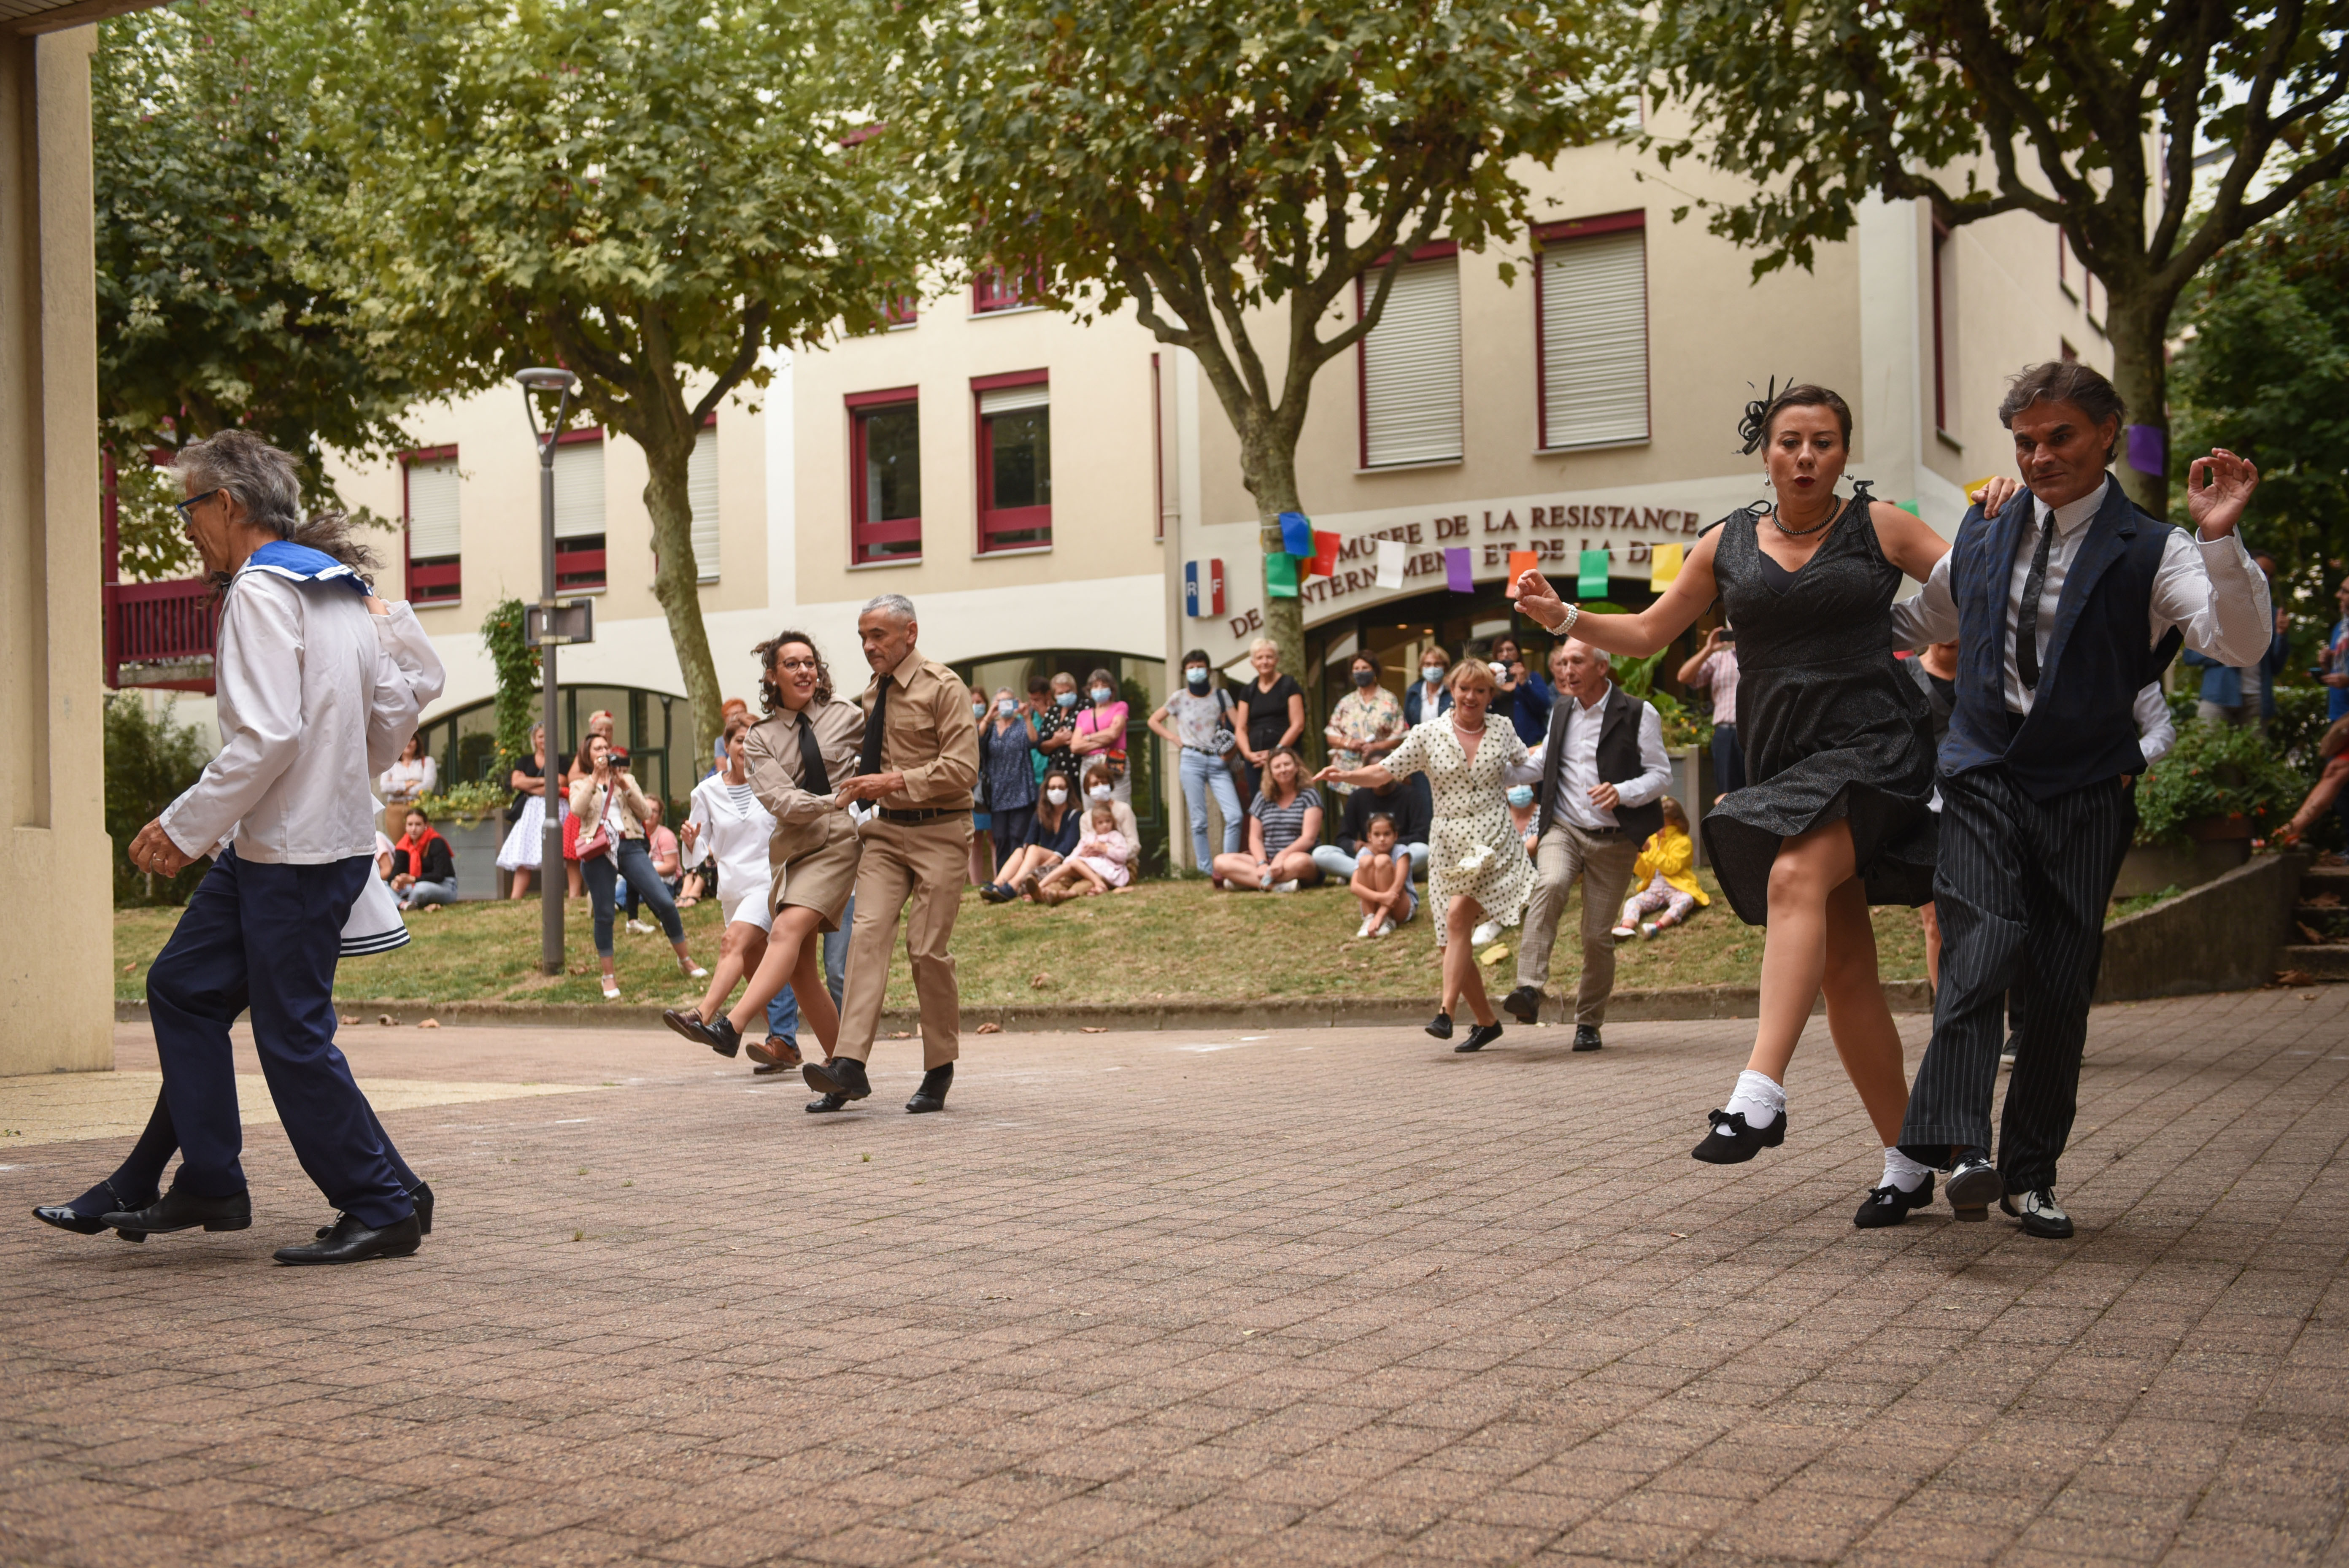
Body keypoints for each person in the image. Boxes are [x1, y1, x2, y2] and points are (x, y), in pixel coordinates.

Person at [1513, 383, 1983, 1223]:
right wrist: (1566, 615)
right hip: (1783, 756)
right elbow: (1653, 630)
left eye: (1826, 442)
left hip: (1873, 746)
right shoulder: (1726, 542)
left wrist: (2003, 513)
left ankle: (1759, 1092)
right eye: (1792, 441)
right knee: (1846, 970)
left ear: (1845, 452)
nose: (1807, 456)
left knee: (1795, 877)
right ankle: (1909, 1157)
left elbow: (1976, 585)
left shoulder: (1880, 527)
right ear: (1766, 450)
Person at [40, 428, 441, 1264]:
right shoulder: (335, 589)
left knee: (292, 1035)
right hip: (298, 844)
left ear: (227, 503)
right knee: (184, 987)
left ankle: (378, 1200)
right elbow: (400, 706)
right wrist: (337, 777)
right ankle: (213, 1179)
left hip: (288, 851)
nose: (187, 529)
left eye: (191, 508)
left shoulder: (261, 590)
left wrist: (184, 828)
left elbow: (264, 735)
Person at [1890, 361, 2271, 1237]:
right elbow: (1915, 624)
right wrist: (1807, 622)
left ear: (2107, 432)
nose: (2038, 456)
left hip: (2088, 787)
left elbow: (2238, 645)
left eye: (2059, 437)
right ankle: (1962, 1148)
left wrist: (2222, 540)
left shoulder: (2158, 548)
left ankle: (2030, 1175)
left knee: (2060, 985)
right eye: (2025, 441)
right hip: (1983, 772)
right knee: (1980, 941)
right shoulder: (1982, 529)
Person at [801, 594, 981, 1115]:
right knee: (867, 937)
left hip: (942, 832)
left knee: (926, 952)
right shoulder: (870, 694)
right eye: (862, 636)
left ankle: (939, 1067)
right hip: (885, 833)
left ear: (911, 633)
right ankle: (849, 1067)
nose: (868, 646)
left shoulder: (944, 688)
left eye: (878, 635)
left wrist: (894, 780)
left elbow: (963, 769)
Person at [666, 631, 864, 1077]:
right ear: (772, 676)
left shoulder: (847, 716)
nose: (804, 671)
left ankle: (731, 1026)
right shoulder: (759, 739)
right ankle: (846, 1069)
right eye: (792, 664)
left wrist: (858, 799)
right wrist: (832, 798)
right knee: (802, 972)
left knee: (784, 931)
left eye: (810, 662)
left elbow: (881, 751)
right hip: (793, 850)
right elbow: (782, 802)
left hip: (836, 840)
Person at [1314, 659, 1533, 1051]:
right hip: (1448, 841)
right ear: (1452, 690)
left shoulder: (1502, 729)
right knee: (1450, 940)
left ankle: (1445, 1012)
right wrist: (1346, 776)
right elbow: (1385, 771)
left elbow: (1529, 766)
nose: (1472, 697)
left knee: (1456, 916)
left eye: (1481, 691)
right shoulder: (1428, 733)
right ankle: (1486, 1021)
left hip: (1492, 838)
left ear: (1490, 695)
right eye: (1464, 689)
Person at [1495, 637, 1671, 1047]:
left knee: (1596, 936)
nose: (1566, 670)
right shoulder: (1559, 711)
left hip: (1615, 839)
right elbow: (1540, 763)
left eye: (1576, 661)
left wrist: (1623, 793)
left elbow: (1661, 775)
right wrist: (1491, 770)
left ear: (1601, 668)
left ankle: (1589, 1022)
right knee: (1550, 883)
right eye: (1561, 662)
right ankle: (1528, 988)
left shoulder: (1639, 713)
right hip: (1565, 828)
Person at [671, 718, 782, 1046]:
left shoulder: (773, 784)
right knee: (755, 970)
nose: (746, 748)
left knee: (731, 942)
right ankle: (783, 1042)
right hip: (733, 889)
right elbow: (697, 850)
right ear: (728, 746)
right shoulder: (705, 791)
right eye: (740, 741)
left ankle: (702, 1014)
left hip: (767, 882)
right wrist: (690, 840)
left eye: (753, 742)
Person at [569, 735, 703, 999]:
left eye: (606, 748)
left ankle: (685, 960)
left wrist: (622, 784)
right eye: (598, 749)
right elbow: (577, 810)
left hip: (629, 844)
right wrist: (596, 779)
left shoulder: (626, 780)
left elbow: (645, 813)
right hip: (598, 849)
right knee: (605, 914)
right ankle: (608, 977)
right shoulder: (580, 784)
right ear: (588, 755)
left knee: (664, 902)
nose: (604, 753)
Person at [1150, 648, 1246, 875]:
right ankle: (1207, 869)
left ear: (1209, 670)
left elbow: (1240, 725)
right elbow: (1154, 721)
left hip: (1218, 760)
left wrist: (1234, 751)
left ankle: (1228, 865)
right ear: (1185, 672)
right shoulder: (1179, 698)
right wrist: (1174, 738)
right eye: (1191, 668)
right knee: (1199, 820)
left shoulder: (1221, 696)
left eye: (1200, 667)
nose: (1196, 671)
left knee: (1235, 816)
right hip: (1191, 759)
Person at [1212, 746, 1323, 892]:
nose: (1283, 770)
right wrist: (1262, 863)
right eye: (1277, 767)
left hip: (1295, 858)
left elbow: (1308, 838)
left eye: (1287, 764)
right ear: (1270, 772)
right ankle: (1276, 886)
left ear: (1297, 768)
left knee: (1302, 863)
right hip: (1266, 858)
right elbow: (1255, 838)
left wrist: (1282, 857)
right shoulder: (1263, 797)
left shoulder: (1310, 795)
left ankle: (1246, 882)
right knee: (1221, 861)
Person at [1312, 766, 1432, 887]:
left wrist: (1389, 844)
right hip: (1366, 856)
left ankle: (1366, 876)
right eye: (1372, 774)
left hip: (1398, 853)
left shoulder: (1410, 795)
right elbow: (1343, 838)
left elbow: (1421, 835)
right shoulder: (1357, 797)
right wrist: (1356, 846)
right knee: (1321, 854)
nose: (1377, 778)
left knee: (1423, 851)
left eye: (1380, 774)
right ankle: (1386, 874)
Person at [1613, 796, 1708, 939]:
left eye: (1662, 824)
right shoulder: (1653, 839)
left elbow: (1672, 867)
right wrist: (1638, 860)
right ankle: (1626, 927)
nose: (1657, 828)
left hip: (1676, 889)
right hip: (1654, 890)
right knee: (1633, 902)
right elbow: (1646, 872)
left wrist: (1651, 852)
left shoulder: (1683, 841)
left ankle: (1658, 926)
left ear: (1677, 823)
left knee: (1687, 900)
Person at [1233, 637, 1305, 805]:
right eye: (1260, 658)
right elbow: (1241, 728)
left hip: (1284, 759)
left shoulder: (1289, 685)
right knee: (1260, 804)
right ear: (1253, 663)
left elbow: (1298, 725)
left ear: (1277, 660)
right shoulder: (1248, 691)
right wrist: (1248, 755)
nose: (1265, 662)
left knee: (1287, 802)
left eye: (1269, 657)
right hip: (1256, 761)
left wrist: (1276, 753)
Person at [990, 768, 1081, 901]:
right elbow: (1029, 840)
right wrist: (1026, 856)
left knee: (1034, 850)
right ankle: (996, 885)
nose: (1057, 791)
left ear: (1068, 790)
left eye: (1062, 788)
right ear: (1046, 791)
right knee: (1020, 850)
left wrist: (1038, 867)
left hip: (1063, 863)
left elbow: (1068, 847)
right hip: (1044, 861)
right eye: (1053, 788)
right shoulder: (1041, 814)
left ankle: (1013, 886)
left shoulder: (1075, 815)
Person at [979, 684, 1040, 875]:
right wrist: (989, 717)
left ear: (1015, 703)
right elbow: (976, 741)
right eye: (1001, 701)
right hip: (997, 792)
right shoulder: (990, 728)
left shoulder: (1022, 724)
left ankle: (1019, 879)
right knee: (1001, 838)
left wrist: (1027, 716)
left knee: (1018, 837)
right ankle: (1002, 880)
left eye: (1009, 701)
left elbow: (1034, 742)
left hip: (1021, 790)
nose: (1005, 705)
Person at [1679, 623, 1745, 793]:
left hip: (1758, 733)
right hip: (1727, 734)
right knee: (1727, 794)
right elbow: (1684, 677)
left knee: (1760, 790)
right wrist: (1709, 649)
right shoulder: (1719, 659)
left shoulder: (1761, 658)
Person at [1324, 651, 1404, 790]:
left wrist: (1376, 747)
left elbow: (1402, 736)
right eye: (1357, 669)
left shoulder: (1389, 700)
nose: (1360, 672)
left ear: (1374, 671)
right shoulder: (1345, 703)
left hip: (1380, 773)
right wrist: (1349, 743)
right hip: (1348, 775)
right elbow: (1331, 736)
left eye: (1365, 668)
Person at [495, 724, 554, 899]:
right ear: (535, 740)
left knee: (554, 854)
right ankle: (516, 897)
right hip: (529, 814)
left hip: (553, 810)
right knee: (523, 854)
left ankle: (555, 898)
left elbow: (558, 784)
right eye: (541, 736)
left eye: (547, 736)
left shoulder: (559, 759)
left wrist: (529, 784)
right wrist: (544, 782)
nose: (544, 740)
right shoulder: (525, 760)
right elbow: (516, 783)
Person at [1034, 799, 1134, 903]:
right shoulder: (1089, 838)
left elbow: (1123, 856)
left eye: (1108, 821)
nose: (1105, 825)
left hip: (1105, 871)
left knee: (1081, 875)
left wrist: (1105, 849)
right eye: (1101, 822)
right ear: (1095, 825)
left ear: (1113, 822)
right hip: (1084, 868)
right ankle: (1041, 888)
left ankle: (1067, 894)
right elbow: (1075, 853)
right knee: (1067, 869)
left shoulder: (1115, 836)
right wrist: (1083, 854)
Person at [1345, 814, 1415, 937]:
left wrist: (1380, 916)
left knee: (1382, 861)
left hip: (1399, 904)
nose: (1382, 839)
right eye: (1377, 835)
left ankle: (1386, 919)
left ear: (1396, 836)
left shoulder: (1401, 852)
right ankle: (1370, 917)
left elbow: (1398, 886)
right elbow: (1354, 887)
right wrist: (1382, 898)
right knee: (1365, 861)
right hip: (1380, 901)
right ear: (1369, 837)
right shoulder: (1364, 853)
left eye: (1387, 834)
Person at [1069, 667, 1131, 803]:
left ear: (1112, 689)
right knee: (1092, 809)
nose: (1100, 689)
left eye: (1104, 686)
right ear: (1090, 691)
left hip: (1114, 761)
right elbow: (1075, 746)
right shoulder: (1083, 715)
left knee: (1120, 807)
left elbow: (1114, 733)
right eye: (1096, 686)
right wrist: (1104, 739)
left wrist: (1088, 737)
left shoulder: (1120, 707)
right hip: (1089, 764)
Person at [624, 797, 684, 932]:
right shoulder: (636, 832)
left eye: (654, 811)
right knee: (629, 882)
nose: (649, 814)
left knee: (643, 884)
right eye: (645, 808)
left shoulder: (666, 835)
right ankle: (626, 914)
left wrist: (646, 872)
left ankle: (614, 904)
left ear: (660, 816)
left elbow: (672, 866)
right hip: (642, 877)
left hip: (664, 881)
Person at [389, 806, 457, 910]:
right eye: (410, 825)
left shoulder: (436, 842)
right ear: (405, 827)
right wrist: (395, 883)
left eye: (418, 824)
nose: (414, 829)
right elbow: (394, 874)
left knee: (421, 890)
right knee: (384, 885)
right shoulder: (403, 845)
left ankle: (403, 901)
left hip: (444, 886)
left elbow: (440, 876)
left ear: (426, 825)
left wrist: (413, 879)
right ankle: (404, 904)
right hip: (412, 886)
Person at [1490, 635, 1554, 745]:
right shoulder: (1490, 681)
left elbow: (1544, 706)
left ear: (1518, 653)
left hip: (1530, 744)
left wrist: (1524, 683)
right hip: (1499, 744)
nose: (1505, 654)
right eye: (1500, 651)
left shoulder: (1533, 677)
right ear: (1495, 655)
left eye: (1510, 650)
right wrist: (1490, 685)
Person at [377, 732, 436, 838]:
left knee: (422, 845)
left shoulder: (427, 761)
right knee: (400, 846)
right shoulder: (391, 764)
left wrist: (399, 789)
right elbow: (384, 787)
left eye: (412, 740)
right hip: (396, 810)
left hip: (420, 808)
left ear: (418, 743)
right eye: (405, 740)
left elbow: (428, 786)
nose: (408, 743)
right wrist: (412, 783)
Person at [1404, 645, 1453, 726]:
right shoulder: (1413, 693)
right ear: (1421, 667)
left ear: (1445, 667)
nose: (1432, 668)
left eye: (1437, 664)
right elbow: (1409, 723)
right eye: (1428, 664)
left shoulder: (1452, 691)